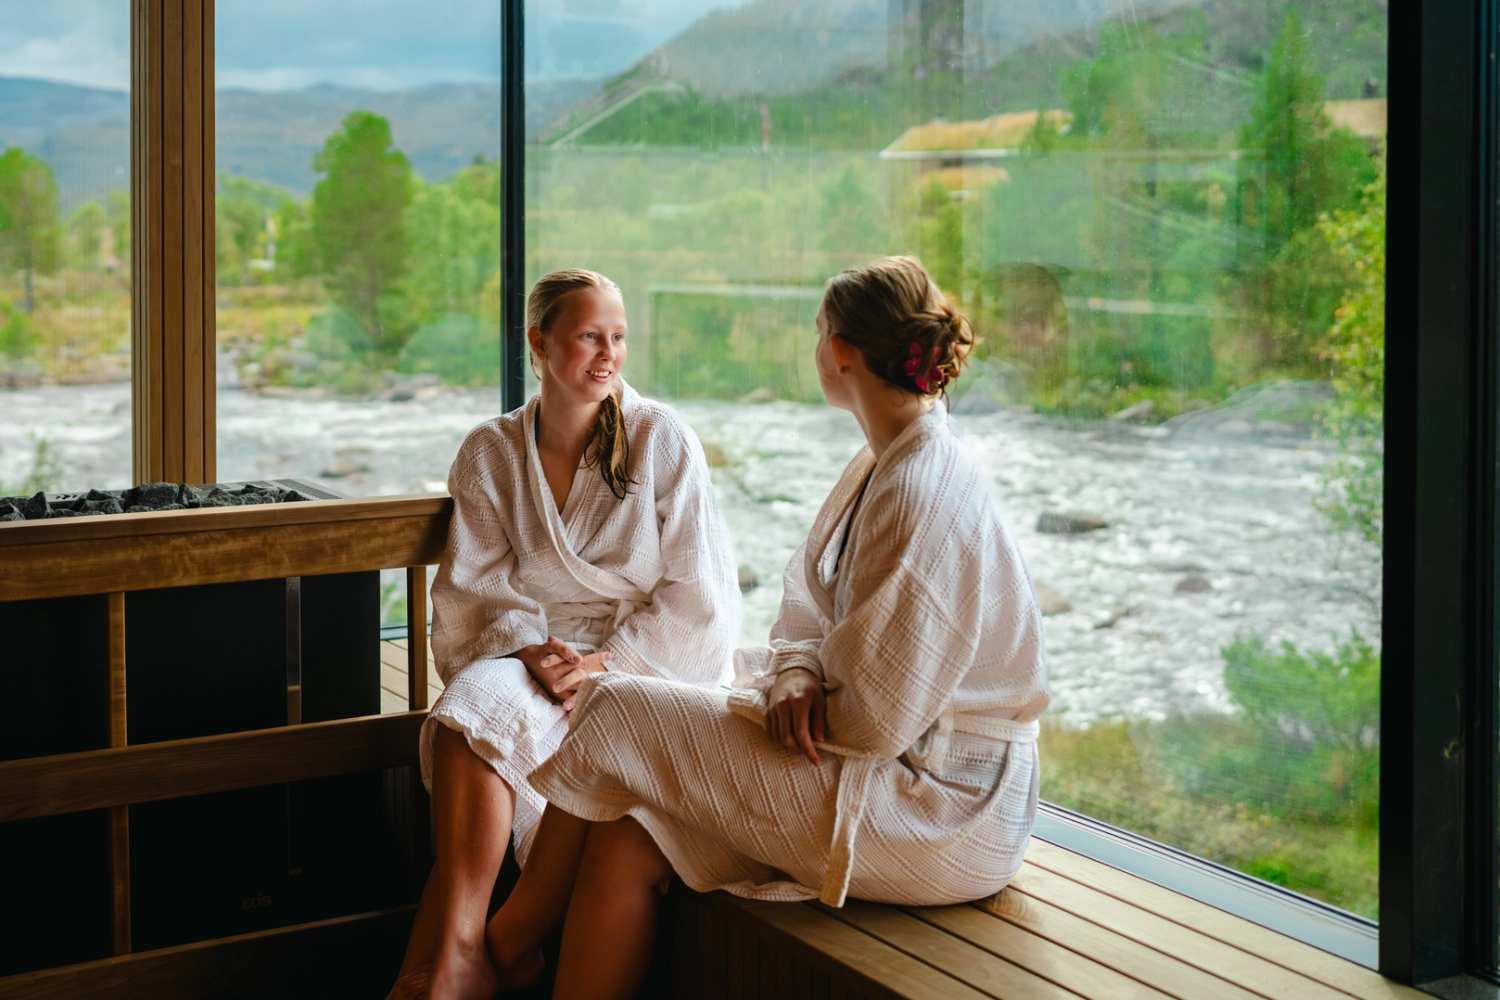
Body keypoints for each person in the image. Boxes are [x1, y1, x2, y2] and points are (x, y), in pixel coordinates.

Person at [483, 255, 1050, 999]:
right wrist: (796, 670)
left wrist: (784, 688)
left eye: (818, 332)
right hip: (901, 776)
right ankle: (517, 952)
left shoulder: (920, 485)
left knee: (615, 704)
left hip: (942, 810)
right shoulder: (889, 459)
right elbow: (808, 610)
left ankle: (505, 943)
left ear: (840, 352)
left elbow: (872, 719)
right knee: (630, 831)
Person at [388, 268, 742, 1000]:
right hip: (532, 649)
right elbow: (475, 586)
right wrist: (527, 647)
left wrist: (605, 666)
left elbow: (700, 596)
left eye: (618, 337)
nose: (608, 354)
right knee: (469, 708)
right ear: (539, 343)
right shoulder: (491, 452)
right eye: (589, 337)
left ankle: (446, 968)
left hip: (642, 664)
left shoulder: (661, 439)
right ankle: (461, 949)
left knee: (577, 738)